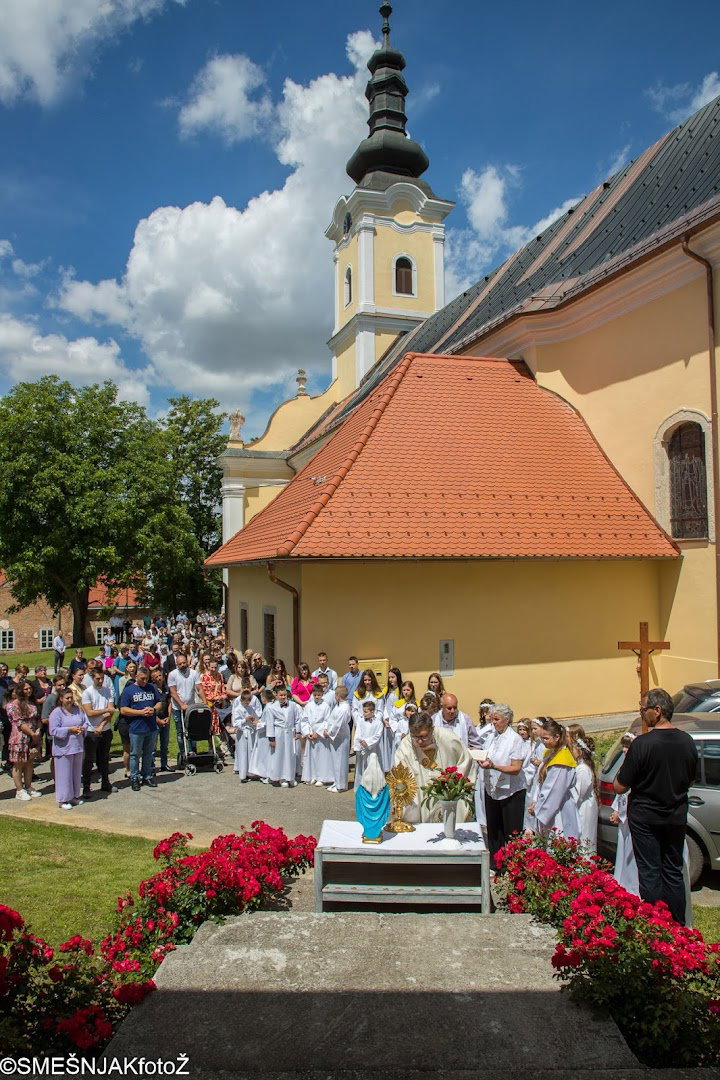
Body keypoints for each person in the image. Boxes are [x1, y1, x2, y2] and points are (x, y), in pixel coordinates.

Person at [614, 688, 698, 925]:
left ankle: (656, 925)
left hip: (646, 817)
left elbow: (620, 786)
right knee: (673, 871)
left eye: (644, 709)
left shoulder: (642, 744)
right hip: (675, 815)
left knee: (650, 873)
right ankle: (678, 925)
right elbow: (691, 780)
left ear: (658, 710)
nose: (641, 713)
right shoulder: (686, 741)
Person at [394, 711, 475, 823]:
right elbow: (401, 777)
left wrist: (454, 784)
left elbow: (465, 762)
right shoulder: (405, 748)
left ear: (432, 730)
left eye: (424, 736)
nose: (420, 741)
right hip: (421, 799)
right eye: (415, 737)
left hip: (448, 797)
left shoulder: (448, 739)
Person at [478, 704, 527, 860]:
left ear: (507, 719)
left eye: (497, 719)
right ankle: (496, 863)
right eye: (493, 719)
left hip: (511, 792)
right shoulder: (492, 736)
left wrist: (494, 766)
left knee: (512, 832)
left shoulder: (515, 739)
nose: (493, 722)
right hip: (492, 789)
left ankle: (513, 864)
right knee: (494, 829)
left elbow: (516, 768)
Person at [527, 720, 580, 840]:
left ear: (557, 737)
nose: (543, 741)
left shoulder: (561, 761)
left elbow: (553, 790)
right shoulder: (550, 753)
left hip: (558, 808)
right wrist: (535, 801)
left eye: (546, 738)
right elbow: (541, 782)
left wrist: (539, 808)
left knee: (557, 838)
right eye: (541, 738)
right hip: (546, 803)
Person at [120, 667, 163, 792]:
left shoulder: (152, 688)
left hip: (151, 727)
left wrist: (153, 709)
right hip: (136, 727)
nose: (144, 681)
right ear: (136, 677)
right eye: (142, 679)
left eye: (146, 678)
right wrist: (140, 712)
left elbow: (159, 703)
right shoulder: (129, 690)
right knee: (135, 754)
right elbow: (123, 709)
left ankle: (147, 776)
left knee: (148, 753)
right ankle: (134, 777)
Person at [49, 687, 90, 809]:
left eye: (71, 698)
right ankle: (63, 799)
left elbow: (85, 722)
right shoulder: (56, 713)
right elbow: (53, 730)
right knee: (64, 775)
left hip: (77, 746)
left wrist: (82, 728)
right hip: (63, 748)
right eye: (67, 698)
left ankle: (73, 796)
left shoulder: (78, 710)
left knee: (75, 773)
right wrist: (69, 729)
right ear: (61, 699)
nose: (70, 700)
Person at [610, 733, 639, 894]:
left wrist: (622, 813)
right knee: (622, 851)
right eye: (623, 746)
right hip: (623, 816)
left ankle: (632, 887)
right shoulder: (625, 764)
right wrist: (616, 809)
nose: (624, 750)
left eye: (627, 746)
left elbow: (629, 793)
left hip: (630, 817)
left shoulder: (637, 766)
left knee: (631, 853)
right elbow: (620, 793)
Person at [80, 668, 115, 798]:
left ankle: (105, 783)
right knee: (89, 760)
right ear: (92, 678)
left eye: (102, 678)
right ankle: (86, 787)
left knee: (104, 758)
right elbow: (89, 712)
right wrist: (105, 710)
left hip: (105, 729)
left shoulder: (108, 691)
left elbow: (111, 711)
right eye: (97, 679)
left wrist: (101, 724)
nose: (100, 681)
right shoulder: (87, 693)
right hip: (91, 731)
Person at [7, 680, 43, 800]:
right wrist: (32, 734)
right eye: (26, 689)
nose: (28, 691)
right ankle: (19, 790)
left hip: (33, 736)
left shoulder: (32, 703)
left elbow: (38, 718)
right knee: (19, 763)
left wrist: (38, 731)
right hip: (20, 737)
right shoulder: (14, 705)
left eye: (30, 688)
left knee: (29, 762)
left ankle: (28, 787)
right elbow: (19, 723)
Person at [167, 653, 206, 764]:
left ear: (187, 662)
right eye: (180, 664)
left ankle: (193, 752)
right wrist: (181, 704)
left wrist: (204, 701)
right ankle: (183, 752)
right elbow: (173, 692)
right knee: (180, 732)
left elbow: (199, 688)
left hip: (191, 707)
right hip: (178, 708)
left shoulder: (194, 673)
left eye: (184, 663)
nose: (182, 665)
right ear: (177, 664)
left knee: (192, 730)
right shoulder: (172, 675)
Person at [266, 686, 302, 787]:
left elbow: (297, 719)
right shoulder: (271, 707)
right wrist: (271, 738)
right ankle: (281, 777)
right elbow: (270, 723)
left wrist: (298, 731)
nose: (283, 697)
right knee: (280, 755)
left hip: (290, 733)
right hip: (279, 733)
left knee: (290, 755)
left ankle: (290, 777)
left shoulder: (293, 705)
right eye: (281, 695)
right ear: (276, 695)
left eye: (285, 695)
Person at [301, 683, 333, 786]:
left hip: (320, 735)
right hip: (311, 733)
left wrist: (318, 733)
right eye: (315, 695)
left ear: (322, 694)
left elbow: (327, 721)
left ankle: (321, 777)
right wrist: (308, 733)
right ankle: (312, 776)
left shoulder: (325, 706)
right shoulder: (309, 705)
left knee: (321, 756)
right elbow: (304, 720)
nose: (317, 697)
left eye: (319, 695)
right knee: (312, 756)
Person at [571, 736, 599, 853]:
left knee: (584, 836)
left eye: (573, 748)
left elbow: (578, 793)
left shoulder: (582, 769)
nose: (572, 751)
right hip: (584, 805)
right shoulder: (581, 767)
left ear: (580, 751)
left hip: (583, 808)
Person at [353, 699, 383, 789]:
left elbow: (378, 735)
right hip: (362, 748)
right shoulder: (361, 721)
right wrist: (359, 743)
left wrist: (367, 742)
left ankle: (372, 788)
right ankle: (360, 787)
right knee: (361, 768)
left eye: (366, 712)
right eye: (363, 711)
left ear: (372, 712)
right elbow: (358, 733)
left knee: (372, 767)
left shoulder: (378, 723)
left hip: (372, 749)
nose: (364, 713)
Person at [232, 688, 261, 781]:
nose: (247, 703)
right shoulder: (237, 709)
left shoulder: (250, 708)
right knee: (243, 753)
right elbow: (235, 723)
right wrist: (245, 720)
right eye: (246, 702)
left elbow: (256, 717)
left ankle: (250, 772)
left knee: (251, 752)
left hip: (251, 732)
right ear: (242, 700)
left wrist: (254, 721)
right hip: (243, 733)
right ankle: (243, 775)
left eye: (249, 701)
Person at [328, 684, 351, 792]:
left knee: (341, 760)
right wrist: (327, 729)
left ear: (338, 696)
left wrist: (330, 732)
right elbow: (332, 719)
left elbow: (338, 724)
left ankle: (341, 785)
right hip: (335, 737)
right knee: (335, 759)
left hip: (341, 736)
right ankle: (336, 781)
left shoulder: (344, 708)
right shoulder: (338, 706)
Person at [151, 668, 172, 772]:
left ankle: (164, 764)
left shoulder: (166, 688)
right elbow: (151, 707)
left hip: (165, 719)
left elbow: (169, 703)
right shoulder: (151, 689)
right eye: (156, 677)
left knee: (164, 744)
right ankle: (151, 766)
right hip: (155, 720)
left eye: (160, 676)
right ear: (153, 679)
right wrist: (157, 720)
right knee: (153, 746)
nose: (159, 678)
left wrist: (169, 716)